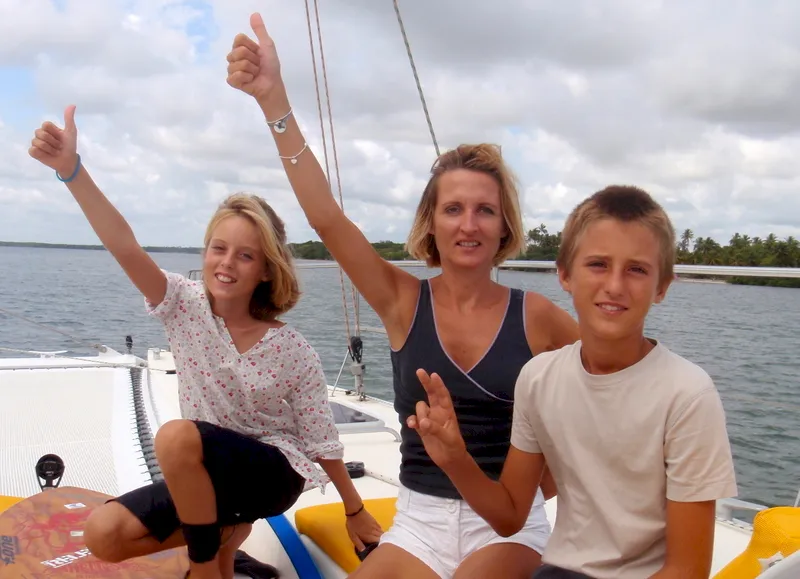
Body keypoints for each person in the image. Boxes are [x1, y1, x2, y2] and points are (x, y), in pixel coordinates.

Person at [225, 13, 580, 579]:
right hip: (419, 523)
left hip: (507, 528)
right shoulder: (402, 302)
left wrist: (543, 488)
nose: (469, 224)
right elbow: (326, 217)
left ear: (504, 226)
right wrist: (274, 102)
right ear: (431, 223)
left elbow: (608, 395)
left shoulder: (538, 318)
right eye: (453, 209)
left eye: (485, 210)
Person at [27, 107, 383, 579]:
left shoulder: (293, 349)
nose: (227, 263)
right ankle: (226, 538)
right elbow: (124, 246)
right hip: (202, 475)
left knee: (175, 436)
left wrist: (354, 509)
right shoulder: (182, 304)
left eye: (245, 255)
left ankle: (205, 569)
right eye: (219, 248)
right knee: (103, 533)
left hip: (272, 473)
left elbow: (321, 439)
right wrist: (72, 172)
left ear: (266, 269)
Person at [407, 185, 739, 579]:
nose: (615, 285)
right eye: (598, 264)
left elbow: (687, 570)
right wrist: (455, 459)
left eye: (636, 269)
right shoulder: (539, 378)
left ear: (662, 286)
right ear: (565, 274)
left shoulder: (686, 394)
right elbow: (510, 517)